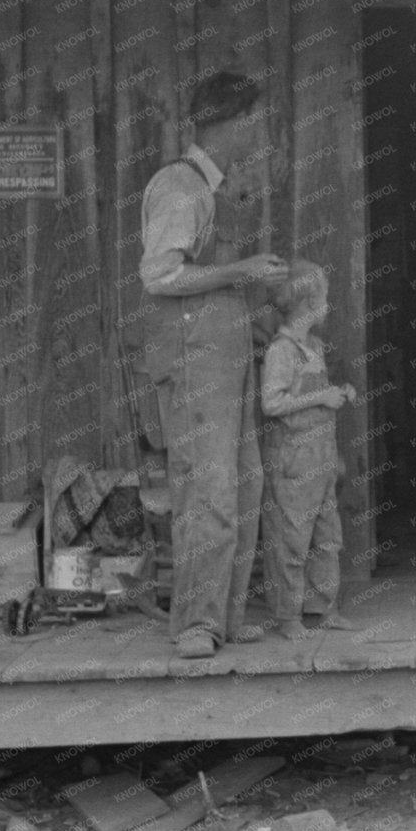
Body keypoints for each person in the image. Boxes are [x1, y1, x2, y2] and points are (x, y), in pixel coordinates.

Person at [136, 71, 288, 660]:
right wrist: (241, 271)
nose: (258, 132)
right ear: (231, 123)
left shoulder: (218, 187)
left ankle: (223, 615)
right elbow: (161, 274)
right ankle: (196, 624)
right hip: (194, 360)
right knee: (208, 491)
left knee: (243, 486)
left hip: (227, 358)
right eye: (253, 121)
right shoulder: (181, 186)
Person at [259, 261, 360, 636]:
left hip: (320, 457)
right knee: (291, 538)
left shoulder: (313, 346)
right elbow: (272, 403)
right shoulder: (281, 351)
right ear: (307, 304)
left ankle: (325, 608)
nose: (328, 304)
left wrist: (338, 394)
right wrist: (321, 396)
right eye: (325, 298)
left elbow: (315, 398)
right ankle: (288, 616)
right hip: (293, 460)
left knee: (327, 536)